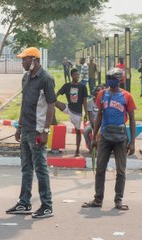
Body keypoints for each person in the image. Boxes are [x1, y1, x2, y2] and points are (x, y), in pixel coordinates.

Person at [6, 47, 56, 219]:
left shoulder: (46, 79)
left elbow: (51, 105)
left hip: (37, 130)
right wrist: (19, 127)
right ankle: (24, 202)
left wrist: (46, 131)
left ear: (33, 60)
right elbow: (24, 103)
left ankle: (47, 205)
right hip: (26, 128)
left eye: (24, 59)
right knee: (26, 167)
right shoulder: (26, 77)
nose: (22, 62)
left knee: (40, 168)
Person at [82, 68, 136, 211]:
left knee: (121, 171)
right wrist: (94, 137)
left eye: (113, 78)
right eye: (109, 78)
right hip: (105, 136)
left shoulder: (127, 96)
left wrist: (132, 142)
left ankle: (118, 200)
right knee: (100, 169)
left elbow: (131, 118)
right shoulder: (102, 94)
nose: (110, 81)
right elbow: (99, 114)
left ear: (119, 80)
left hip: (120, 137)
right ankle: (98, 199)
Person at [55, 68, 89, 157]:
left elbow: (85, 101)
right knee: (53, 101)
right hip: (68, 108)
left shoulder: (82, 87)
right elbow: (58, 93)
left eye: (78, 75)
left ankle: (77, 150)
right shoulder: (67, 86)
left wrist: (86, 114)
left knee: (78, 131)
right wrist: (53, 96)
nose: (77, 76)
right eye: (75, 75)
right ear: (71, 76)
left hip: (77, 113)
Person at [83, 85, 105, 151]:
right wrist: (94, 126)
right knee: (85, 131)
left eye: (99, 90)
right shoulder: (89, 102)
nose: (97, 92)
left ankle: (103, 149)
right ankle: (91, 148)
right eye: (96, 90)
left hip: (103, 122)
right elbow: (90, 116)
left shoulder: (104, 102)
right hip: (93, 123)